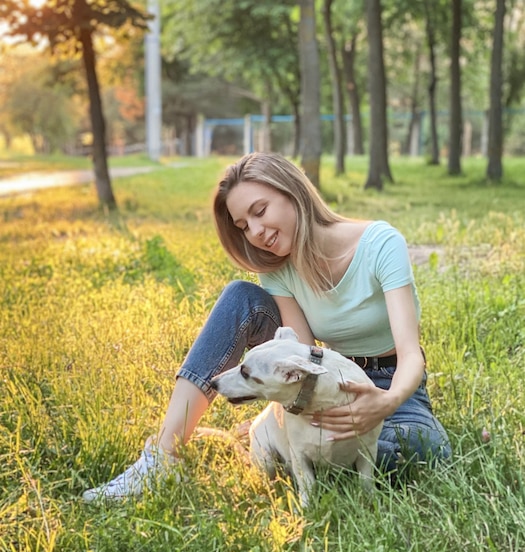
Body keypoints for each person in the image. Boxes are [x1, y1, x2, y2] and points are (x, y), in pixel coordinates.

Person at [82, 152, 451, 502]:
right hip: (325, 375)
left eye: (260, 211)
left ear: (292, 191)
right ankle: (163, 456)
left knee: (426, 449)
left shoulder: (380, 244)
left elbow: (409, 353)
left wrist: (385, 402)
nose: (256, 232)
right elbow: (303, 358)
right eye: (244, 226)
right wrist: (291, 411)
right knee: (240, 297)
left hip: (390, 379)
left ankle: (297, 448)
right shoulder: (277, 267)